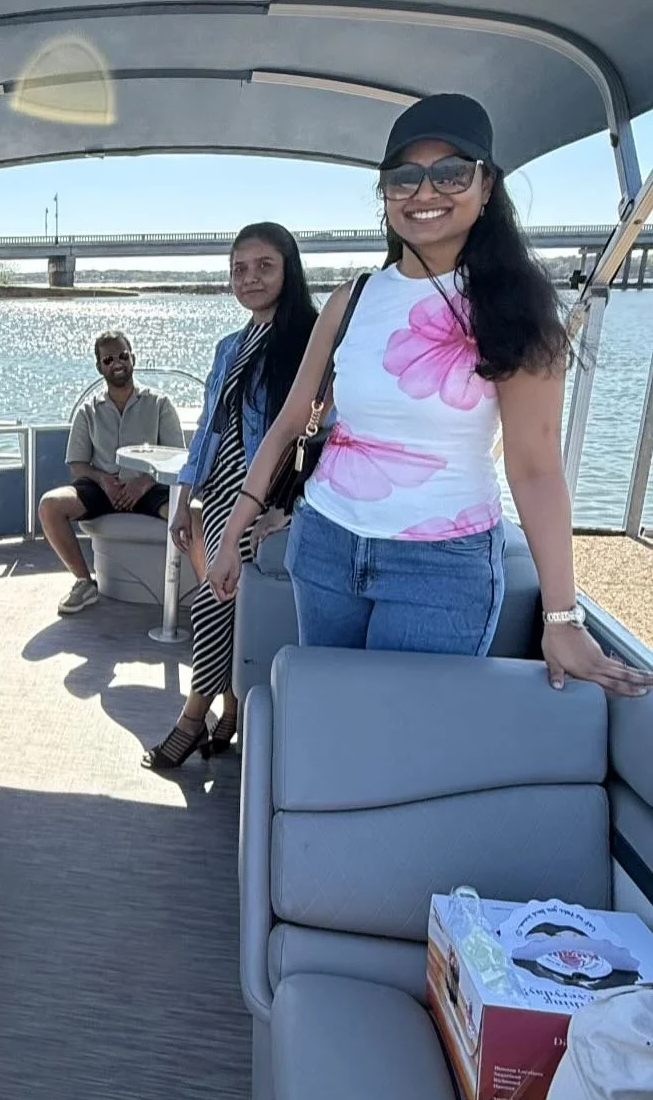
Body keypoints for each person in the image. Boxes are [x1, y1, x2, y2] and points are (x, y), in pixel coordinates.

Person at [208, 94, 649, 700]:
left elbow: (537, 467)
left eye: (451, 173)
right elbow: (288, 426)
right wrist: (231, 537)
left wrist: (562, 617)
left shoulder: (515, 311)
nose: (425, 192)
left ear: (486, 185)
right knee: (334, 715)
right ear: (386, 193)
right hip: (327, 544)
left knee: (407, 730)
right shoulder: (352, 300)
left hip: (442, 566)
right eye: (404, 177)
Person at [144, 224, 317, 769]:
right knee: (226, 600)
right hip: (221, 489)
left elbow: (317, 433)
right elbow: (209, 429)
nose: (250, 279)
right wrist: (184, 494)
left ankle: (193, 716)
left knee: (213, 601)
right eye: (239, 269)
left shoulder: (311, 340)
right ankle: (232, 706)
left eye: (264, 266)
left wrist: (285, 504)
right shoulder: (230, 347)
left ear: (289, 269)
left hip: (264, 492)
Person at [38, 331, 183, 616]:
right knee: (49, 506)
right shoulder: (88, 411)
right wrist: (103, 480)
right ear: (99, 367)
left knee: (189, 515)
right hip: (102, 488)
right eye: (108, 359)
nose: (117, 363)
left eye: (123, 356)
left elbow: (177, 457)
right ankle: (84, 582)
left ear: (133, 359)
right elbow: (78, 464)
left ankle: (202, 591)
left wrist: (143, 483)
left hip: (149, 486)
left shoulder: (159, 404)